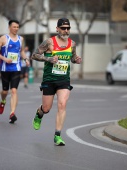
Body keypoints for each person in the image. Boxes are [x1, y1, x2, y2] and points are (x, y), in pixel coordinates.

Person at [31, 18, 82, 146]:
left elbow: (72, 58)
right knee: (47, 108)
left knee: (62, 104)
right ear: (57, 29)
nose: (66, 30)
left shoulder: (72, 44)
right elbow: (34, 55)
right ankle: (39, 113)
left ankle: (57, 136)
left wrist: (77, 60)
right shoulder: (49, 42)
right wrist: (48, 59)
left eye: (68, 28)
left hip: (64, 79)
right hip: (49, 79)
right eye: (63, 28)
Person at [0, 19, 30, 123]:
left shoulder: (21, 39)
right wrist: (4, 59)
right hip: (5, 69)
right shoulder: (4, 38)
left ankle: (12, 113)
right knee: (5, 91)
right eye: (14, 27)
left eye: (17, 27)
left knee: (14, 91)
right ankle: (3, 100)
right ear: (9, 27)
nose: (16, 29)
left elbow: (21, 51)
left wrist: (26, 59)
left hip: (16, 68)